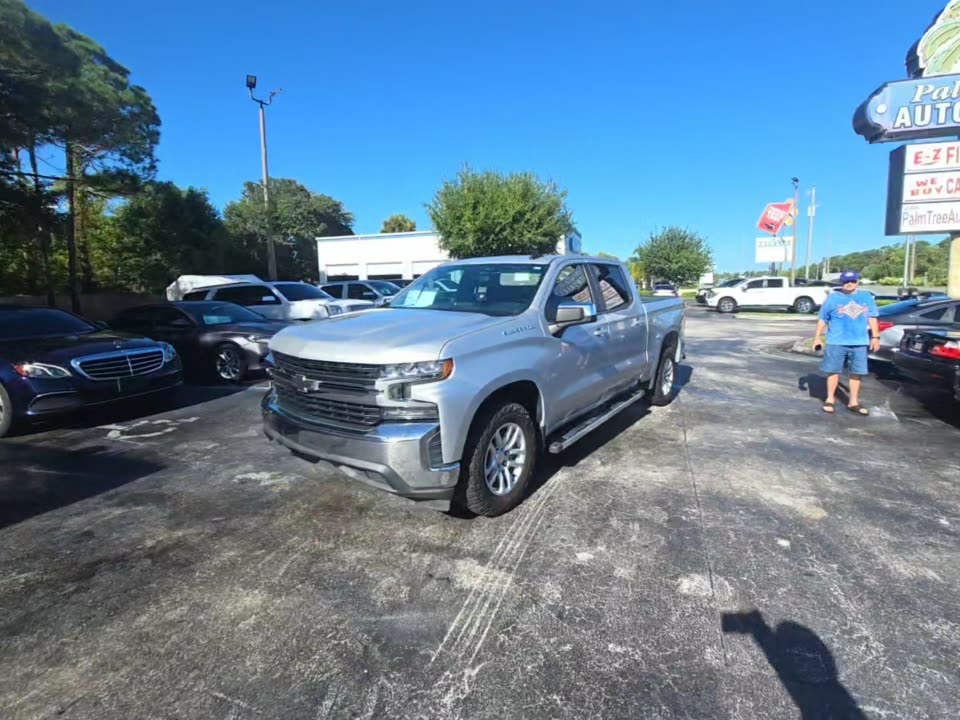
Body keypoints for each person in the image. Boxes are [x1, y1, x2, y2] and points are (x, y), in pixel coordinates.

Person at [812, 270, 880, 415]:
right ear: (841, 283)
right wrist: (817, 337)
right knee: (833, 370)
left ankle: (853, 402)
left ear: (857, 282)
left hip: (859, 341)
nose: (849, 284)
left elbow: (872, 317)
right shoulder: (833, 298)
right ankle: (830, 399)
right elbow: (823, 318)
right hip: (836, 341)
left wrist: (875, 337)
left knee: (857, 373)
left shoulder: (866, 297)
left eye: (852, 281)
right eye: (846, 282)